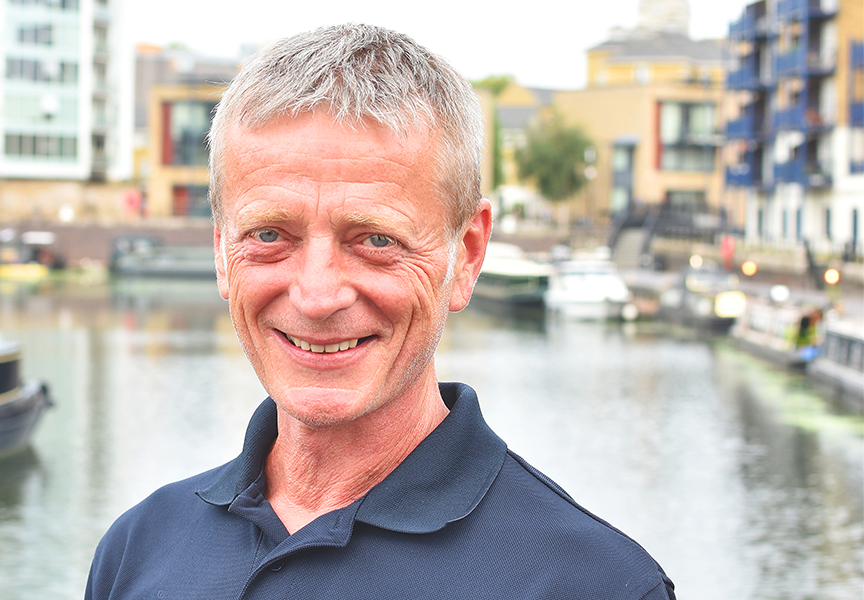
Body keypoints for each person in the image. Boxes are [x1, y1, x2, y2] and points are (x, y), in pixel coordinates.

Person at [86, 24, 675, 600]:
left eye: (376, 240)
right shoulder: (138, 548)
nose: (317, 297)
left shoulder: (597, 584)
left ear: (466, 255)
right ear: (221, 251)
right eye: (269, 234)